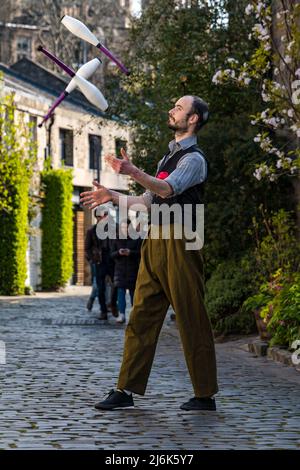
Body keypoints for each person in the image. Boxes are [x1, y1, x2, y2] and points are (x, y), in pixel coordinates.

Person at [80, 95, 218, 411]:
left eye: (179, 108)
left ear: (194, 118)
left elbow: (168, 190)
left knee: (191, 316)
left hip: (183, 239)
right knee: (140, 316)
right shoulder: (166, 159)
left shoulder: (194, 159)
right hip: (155, 240)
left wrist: (132, 171)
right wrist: (112, 196)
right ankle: (125, 389)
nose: (172, 110)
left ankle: (204, 395)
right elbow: (148, 200)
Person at [110, 219, 142, 324]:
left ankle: (135, 315)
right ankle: (122, 314)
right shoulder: (116, 239)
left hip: (133, 270)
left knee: (134, 294)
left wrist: (130, 253)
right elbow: (111, 254)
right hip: (120, 270)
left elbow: (141, 253)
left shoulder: (136, 239)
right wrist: (119, 253)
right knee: (120, 293)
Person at [84, 205, 111, 320]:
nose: (102, 218)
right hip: (98, 262)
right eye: (99, 216)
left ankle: (112, 304)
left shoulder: (113, 230)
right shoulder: (91, 231)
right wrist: (92, 259)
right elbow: (87, 247)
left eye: (104, 215)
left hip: (112, 261)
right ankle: (103, 311)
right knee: (100, 287)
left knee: (115, 285)